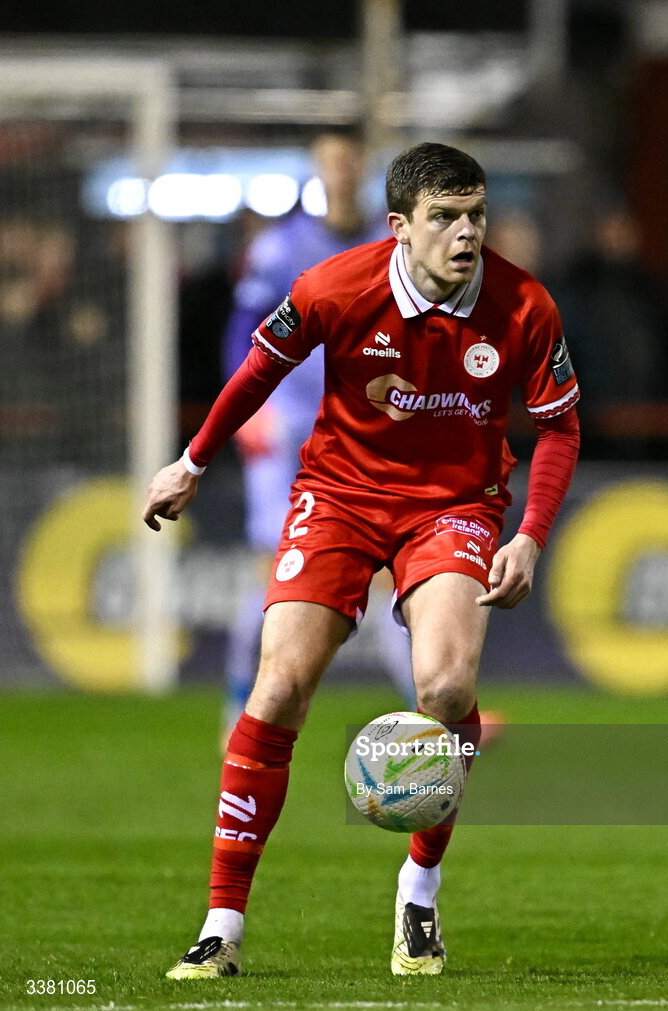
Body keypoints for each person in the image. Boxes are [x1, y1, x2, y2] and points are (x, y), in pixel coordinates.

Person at [143, 142, 581, 979]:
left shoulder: (524, 306)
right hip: (338, 494)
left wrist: (529, 533)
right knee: (276, 690)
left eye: (475, 215)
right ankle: (222, 925)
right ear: (399, 227)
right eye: (445, 218)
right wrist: (193, 461)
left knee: (446, 689)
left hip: (453, 507)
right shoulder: (332, 286)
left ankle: (418, 892)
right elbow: (257, 371)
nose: (465, 233)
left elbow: (557, 426)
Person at [220, 131, 415, 739]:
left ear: (362, 166)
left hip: (362, 430)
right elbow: (242, 331)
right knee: (274, 567)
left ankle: (437, 711)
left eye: (348, 158)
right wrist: (247, 410)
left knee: (386, 570)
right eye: (328, 159)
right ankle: (238, 709)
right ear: (315, 167)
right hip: (288, 430)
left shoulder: (388, 248)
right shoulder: (280, 248)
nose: (339, 169)